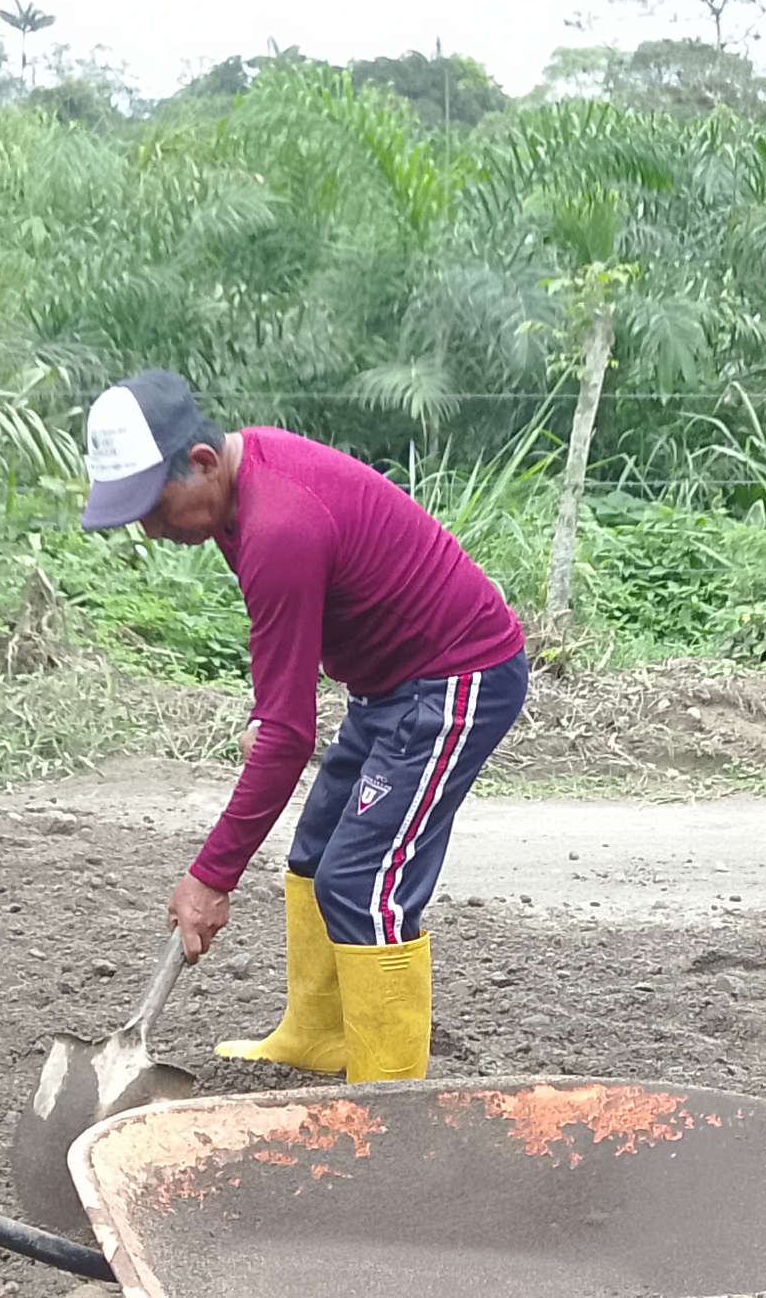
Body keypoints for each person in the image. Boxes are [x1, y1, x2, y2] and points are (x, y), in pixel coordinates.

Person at [83, 370, 528, 1082]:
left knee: (362, 885)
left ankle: (392, 1100)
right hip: (387, 685)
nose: (152, 529)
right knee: (316, 856)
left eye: (155, 507)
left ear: (202, 462)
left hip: (455, 679)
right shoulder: (238, 494)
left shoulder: (278, 524)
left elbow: (290, 740)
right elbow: (289, 658)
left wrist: (210, 876)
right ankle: (319, 1037)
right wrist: (270, 712)